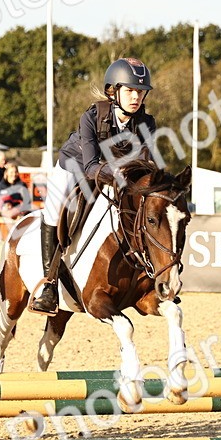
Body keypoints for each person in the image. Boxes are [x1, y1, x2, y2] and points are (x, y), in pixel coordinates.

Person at [32, 57, 158, 315]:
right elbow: (90, 166)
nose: (137, 96)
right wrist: (121, 173)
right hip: (75, 167)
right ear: (114, 91)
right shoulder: (92, 116)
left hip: (114, 173)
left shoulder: (146, 123)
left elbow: (147, 161)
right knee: (55, 209)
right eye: (130, 90)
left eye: (141, 92)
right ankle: (49, 285)